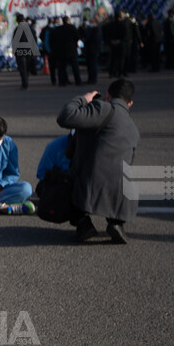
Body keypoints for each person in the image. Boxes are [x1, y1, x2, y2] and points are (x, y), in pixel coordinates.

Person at [56, 79, 140, 244]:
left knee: (65, 178)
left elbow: (65, 117)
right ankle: (116, 223)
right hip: (123, 193)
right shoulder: (133, 128)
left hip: (90, 184)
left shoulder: (103, 108)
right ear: (130, 103)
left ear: (107, 95)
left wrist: (84, 99)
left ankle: (83, 223)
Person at [51, 15, 82, 86]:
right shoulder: (72, 27)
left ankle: (62, 82)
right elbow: (77, 37)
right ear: (68, 20)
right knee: (75, 68)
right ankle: (78, 82)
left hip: (61, 52)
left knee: (61, 69)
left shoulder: (58, 29)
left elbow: (53, 39)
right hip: (71, 51)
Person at [105, 10, 131, 78]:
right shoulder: (123, 24)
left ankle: (111, 73)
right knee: (121, 59)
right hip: (121, 43)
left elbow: (107, 34)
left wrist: (112, 41)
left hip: (113, 43)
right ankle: (120, 72)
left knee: (113, 58)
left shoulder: (110, 24)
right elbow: (126, 34)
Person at [81, 16, 102, 85]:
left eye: (91, 22)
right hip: (89, 50)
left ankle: (93, 79)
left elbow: (95, 39)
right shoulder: (89, 29)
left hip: (94, 50)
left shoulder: (97, 29)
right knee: (89, 66)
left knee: (93, 65)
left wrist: (87, 39)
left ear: (95, 23)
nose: (90, 23)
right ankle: (90, 79)